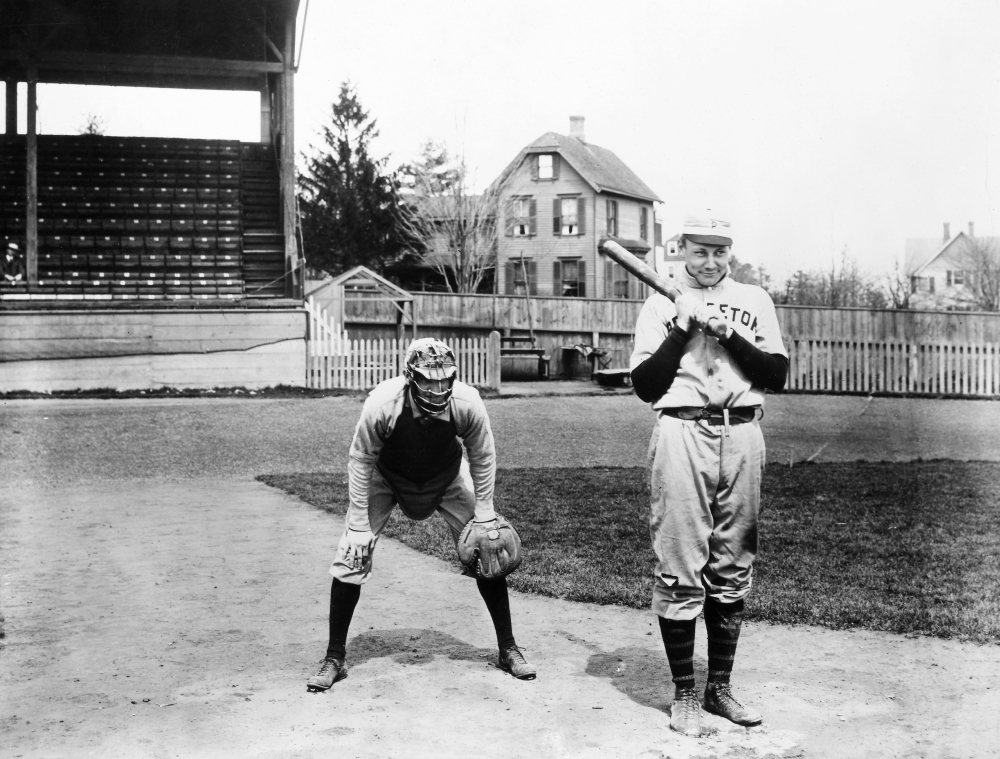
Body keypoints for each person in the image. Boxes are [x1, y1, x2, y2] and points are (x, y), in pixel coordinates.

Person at [629, 212, 788, 737]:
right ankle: (685, 696)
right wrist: (683, 326)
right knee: (679, 558)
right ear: (682, 249)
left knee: (733, 562)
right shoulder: (660, 302)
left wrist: (728, 334)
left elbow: (776, 376)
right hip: (682, 430)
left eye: (721, 251)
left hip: (742, 431)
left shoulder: (755, 300)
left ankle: (719, 688)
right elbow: (647, 386)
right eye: (701, 251)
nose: (712, 261)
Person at [307, 337, 536, 691]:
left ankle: (508, 648)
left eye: (444, 378)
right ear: (410, 377)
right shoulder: (382, 403)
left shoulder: (467, 402)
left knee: (488, 550)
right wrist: (356, 523)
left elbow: (483, 456)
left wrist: (486, 513)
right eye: (428, 379)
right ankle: (334, 656)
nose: (438, 387)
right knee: (351, 556)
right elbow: (361, 459)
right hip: (388, 478)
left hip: (445, 478)